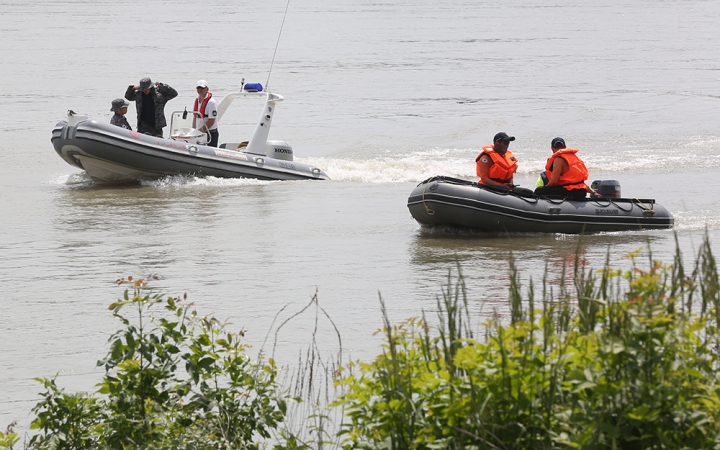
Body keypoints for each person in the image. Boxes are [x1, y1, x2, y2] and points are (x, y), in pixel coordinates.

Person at [534, 137, 600, 199]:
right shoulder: (574, 157)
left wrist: (545, 188)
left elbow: (554, 181)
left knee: (539, 190)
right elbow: (579, 183)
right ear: (565, 147)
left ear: (552, 149)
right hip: (581, 192)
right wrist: (593, 192)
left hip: (570, 191)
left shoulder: (559, 159)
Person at [193, 80, 219, 147]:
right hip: (199, 133)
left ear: (207, 89)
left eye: (202, 88)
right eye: (198, 88)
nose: (200, 90)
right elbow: (195, 116)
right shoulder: (197, 100)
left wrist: (201, 130)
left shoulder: (211, 102)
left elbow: (211, 121)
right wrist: (193, 130)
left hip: (210, 133)